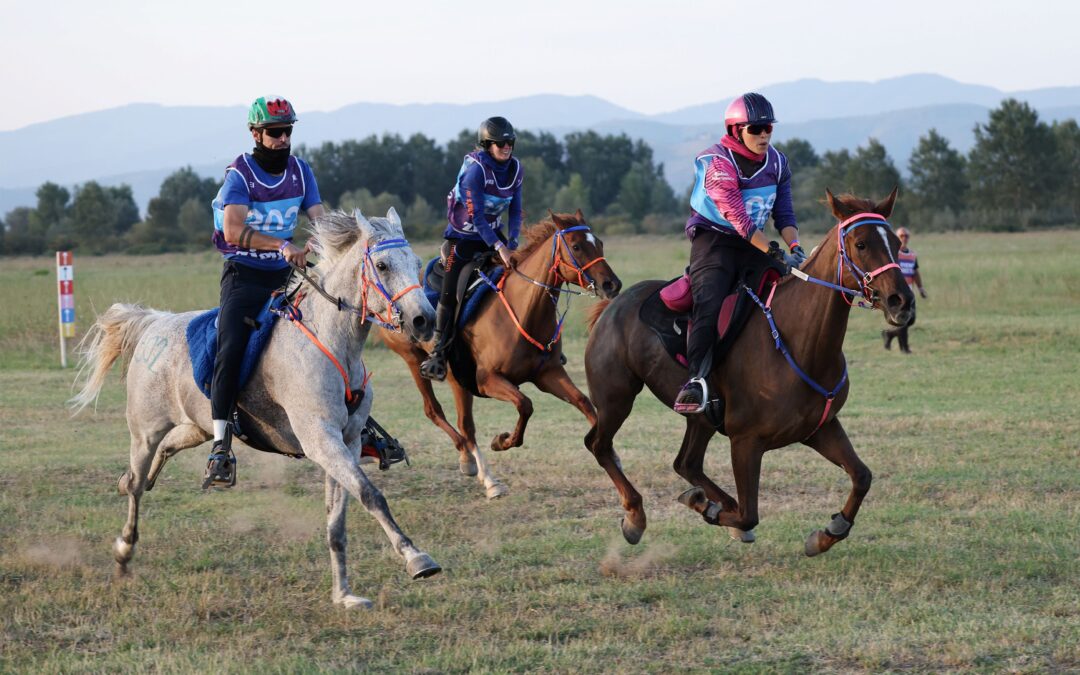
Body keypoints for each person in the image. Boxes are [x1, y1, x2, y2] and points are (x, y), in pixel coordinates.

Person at [205, 95, 325, 487]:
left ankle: (359, 424)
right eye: (275, 132)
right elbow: (232, 230)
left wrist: (321, 244)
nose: (282, 138)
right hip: (245, 275)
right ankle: (221, 445)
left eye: (288, 131)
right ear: (256, 133)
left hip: (287, 276)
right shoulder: (240, 175)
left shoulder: (302, 172)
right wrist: (282, 245)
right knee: (232, 346)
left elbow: (320, 221)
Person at [673, 92, 805, 414]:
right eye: (756, 128)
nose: (764, 135)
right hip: (715, 242)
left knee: (792, 289)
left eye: (768, 128)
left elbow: (784, 214)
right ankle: (696, 382)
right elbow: (738, 218)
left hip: (753, 243)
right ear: (736, 130)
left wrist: (795, 249)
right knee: (710, 300)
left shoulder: (778, 162)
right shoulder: (717, 162)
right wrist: (773, 251)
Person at [419, 116, 524, 381]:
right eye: (500, 143)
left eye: (510, 142)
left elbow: (516, 209)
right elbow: (476, 217)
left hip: (494, 234)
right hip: (462, 237)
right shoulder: (476, 171)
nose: (506, 147)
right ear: (487, 145)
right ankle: (438, 354)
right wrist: (501, 247)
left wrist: (512, 243)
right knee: (451, 292)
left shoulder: (516, 169)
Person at [882, 226, 927, 353]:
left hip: (909, 292)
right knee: (903, 321)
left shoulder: (912, 254)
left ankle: (889, 334)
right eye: (901, 236)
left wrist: (921, 288)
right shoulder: (894, 254)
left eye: (906, 236)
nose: (904, 238)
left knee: (911, 320)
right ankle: (905, 349)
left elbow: (915, 272)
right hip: (898, 293)